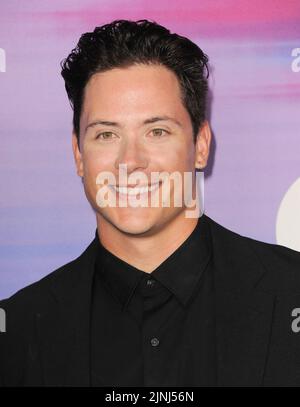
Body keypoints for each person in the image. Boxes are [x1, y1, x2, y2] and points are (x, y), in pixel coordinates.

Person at [1, 19, 300, 387]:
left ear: (201, 145)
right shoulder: (16, 331)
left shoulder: (291, 292)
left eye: (156, 131)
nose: (130, 162)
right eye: (107, 134)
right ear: (78, 154)